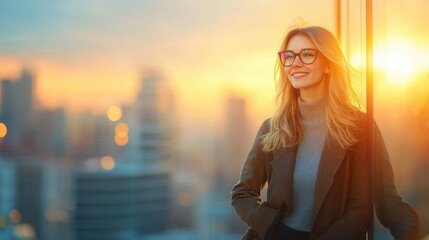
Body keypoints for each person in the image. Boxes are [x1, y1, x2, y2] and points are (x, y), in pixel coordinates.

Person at [230, 25, 419, 240]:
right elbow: (242, 193)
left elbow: (375, 206)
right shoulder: (273, 128)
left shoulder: (359, 127)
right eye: (289, 56)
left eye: (307, 54)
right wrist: (275, 229)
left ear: (329, 65)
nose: (296, 63)